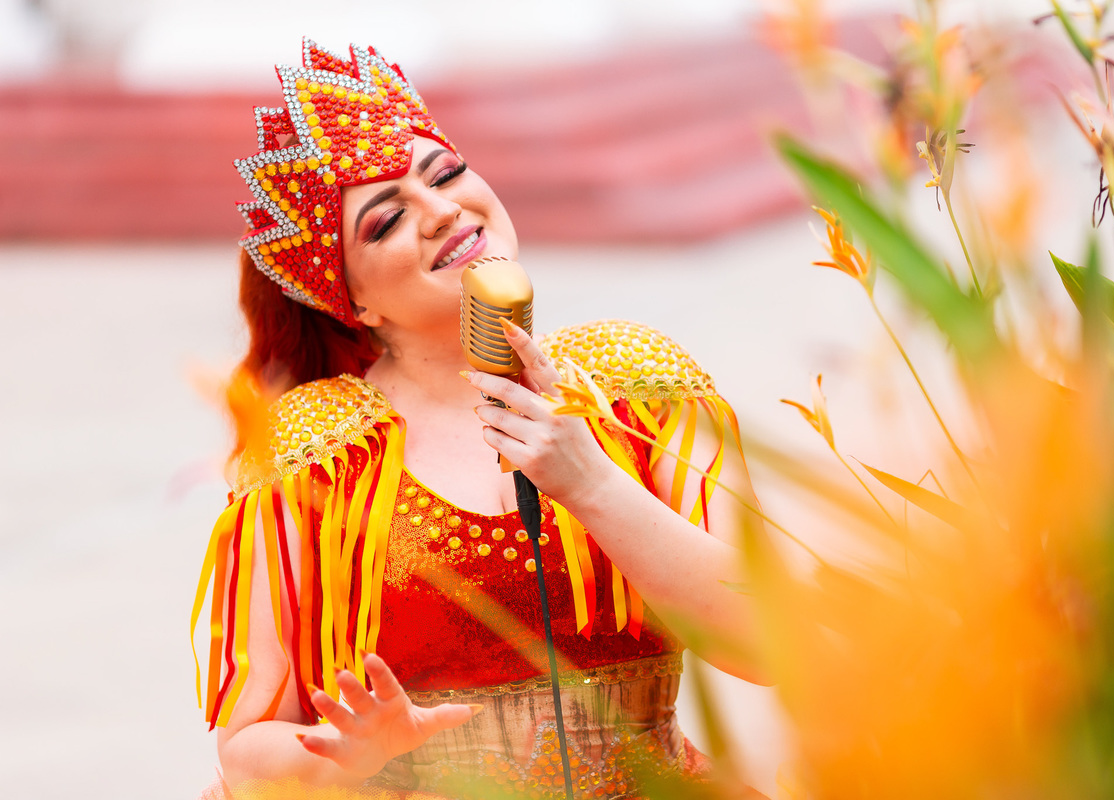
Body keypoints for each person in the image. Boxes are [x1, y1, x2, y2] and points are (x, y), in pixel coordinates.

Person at [193, 38, 765, 800]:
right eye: (386, 221)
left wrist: (592, 482)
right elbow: (248, 748)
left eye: (447, 173)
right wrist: (345, 751)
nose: (442, 209)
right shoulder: (317, 455)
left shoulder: (638, 388)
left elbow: (768, 642)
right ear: (353, 301)